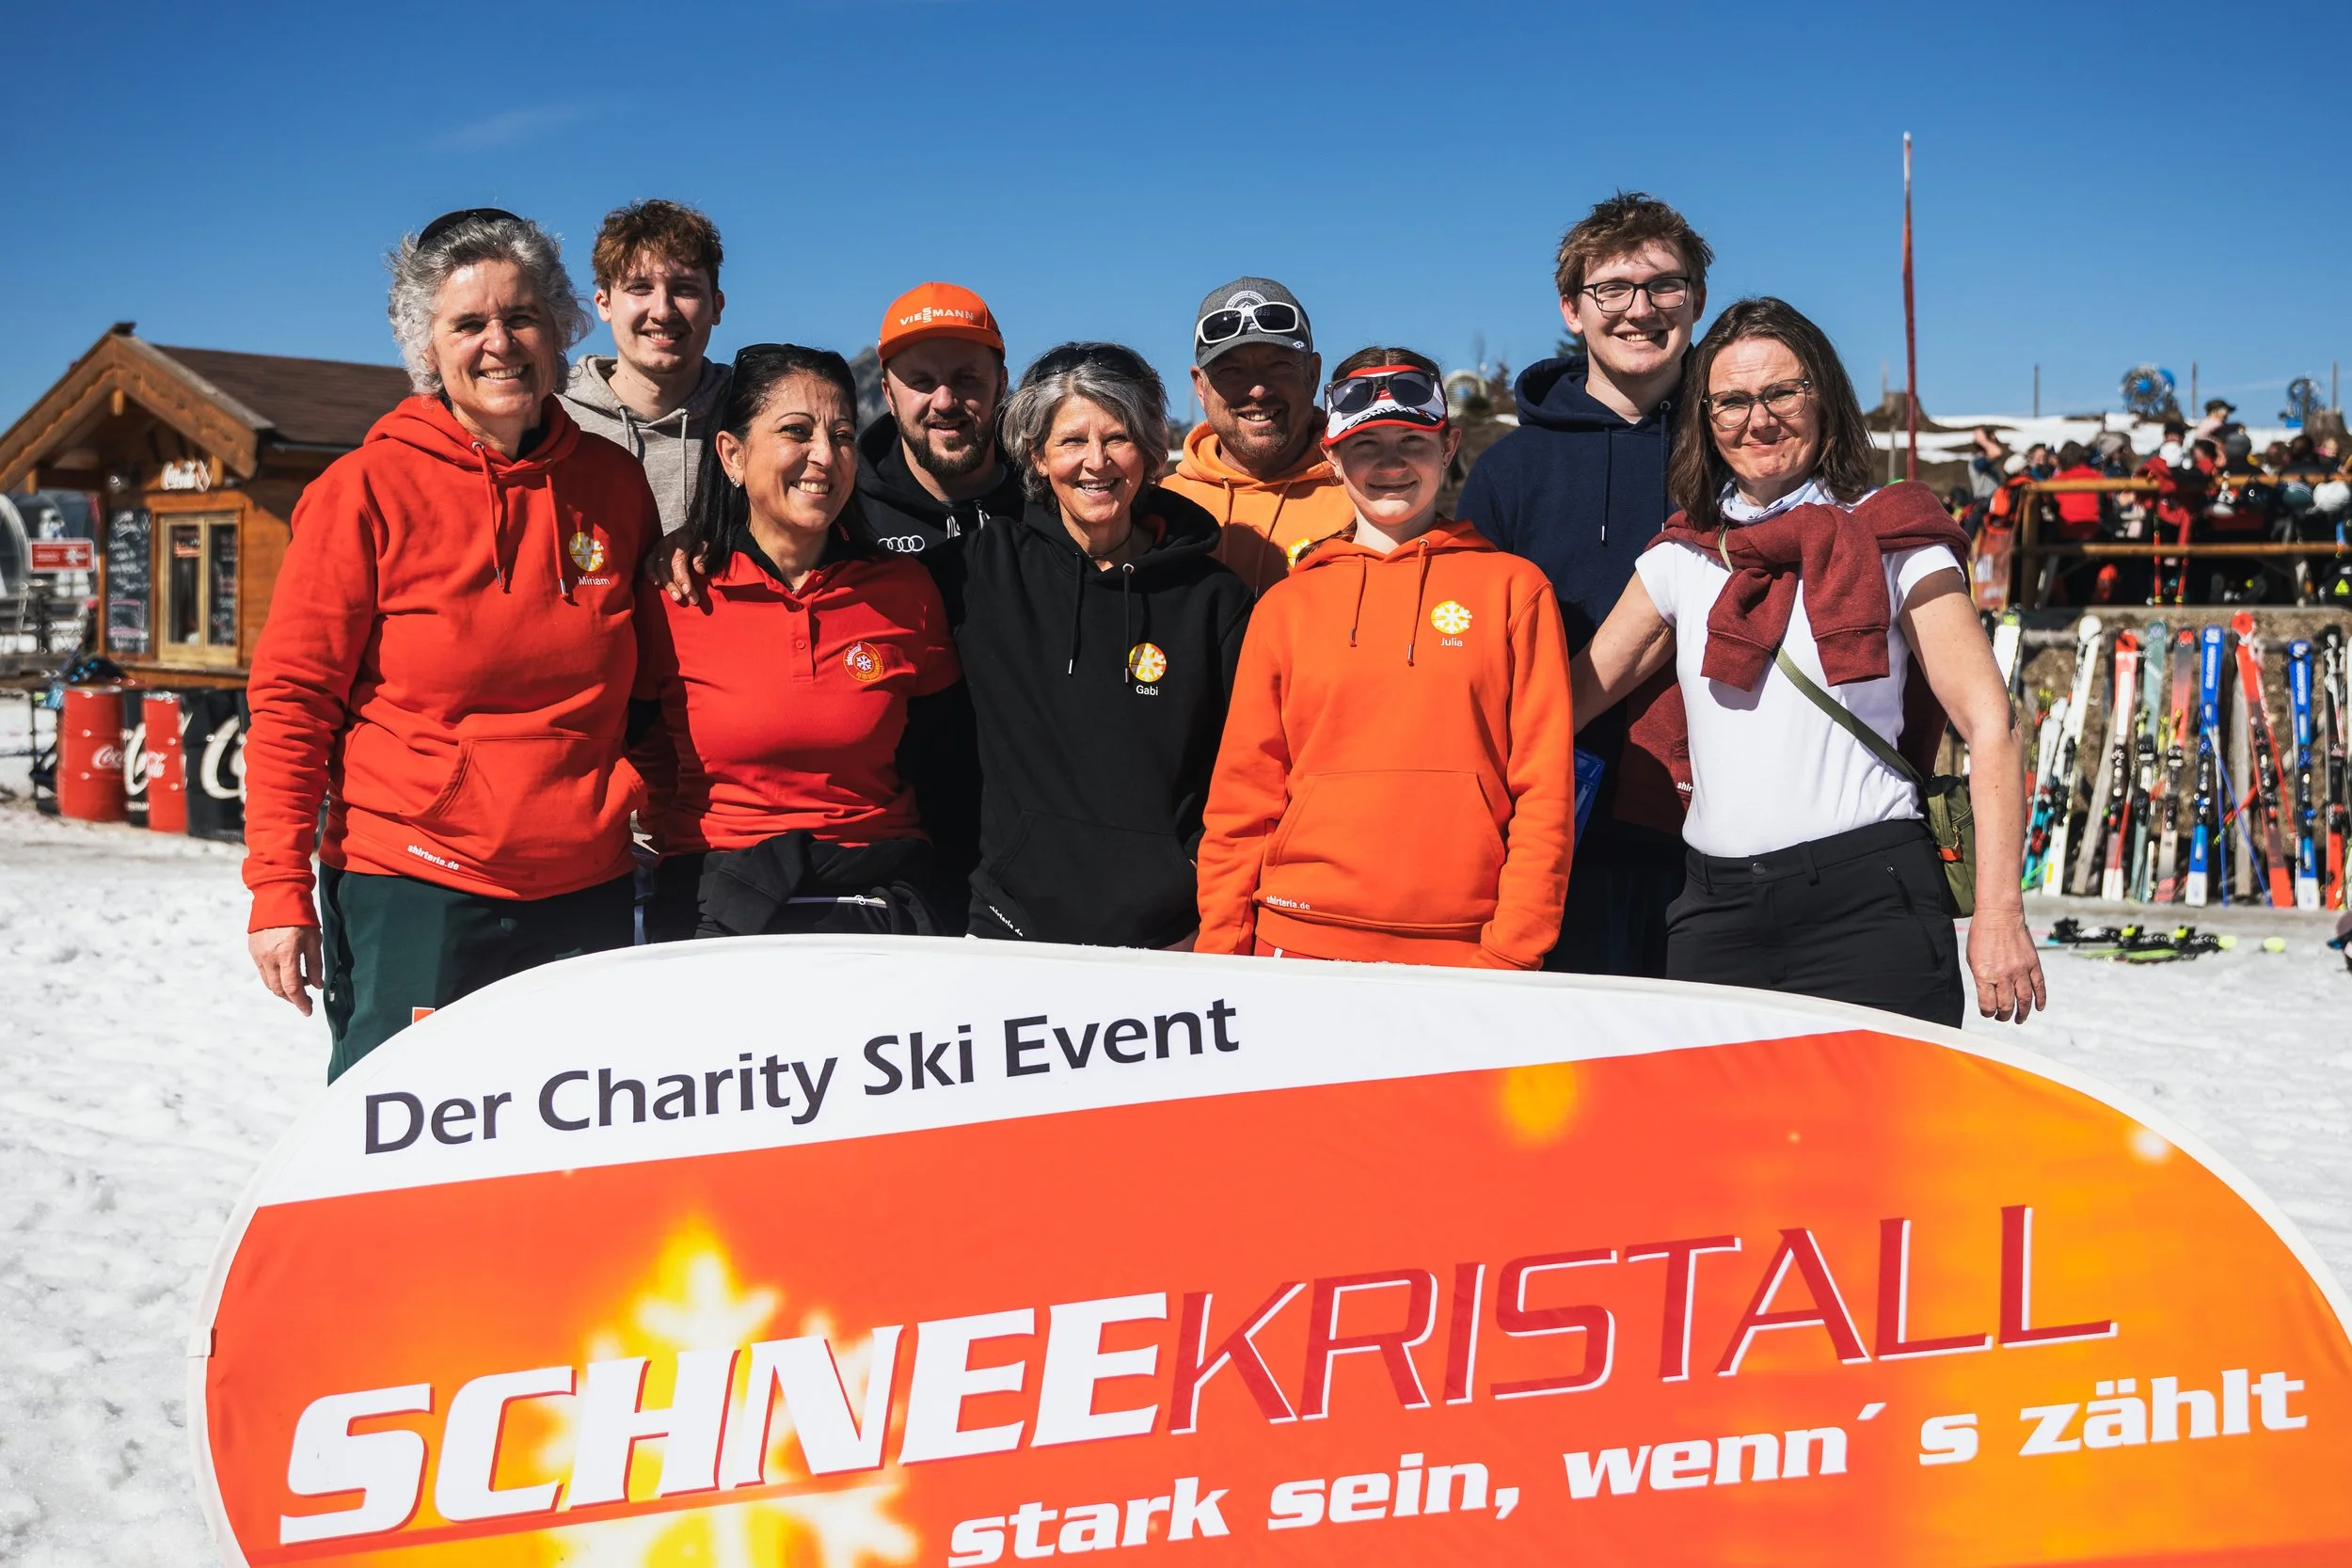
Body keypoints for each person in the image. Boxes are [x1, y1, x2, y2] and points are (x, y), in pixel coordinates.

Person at [243, 210, 659, 1077]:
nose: (499, 343)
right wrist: (277, 888)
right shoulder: (363, 491)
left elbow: (653, 681)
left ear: (559, 328)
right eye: (468, 323)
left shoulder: (613, 486)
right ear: (426, 348)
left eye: (521, 316)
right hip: (416, 885)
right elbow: (293, 700)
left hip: (587, 883)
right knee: (406, 1159)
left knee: (573, 1158)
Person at [1570, 297, 2044, 1028]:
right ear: (1705, 417)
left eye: (1781, 393)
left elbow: (1990, 723)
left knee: (1879, 1140)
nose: (1757, 420)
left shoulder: (1894, 531)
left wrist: (2000, 913)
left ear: (1823, 396)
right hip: (1713, 914)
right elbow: (1565, 702)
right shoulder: (1682, 555)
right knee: (1724, 1142)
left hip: (1869, 907)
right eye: (1730, 401)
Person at [1195, 349, 1574, 968]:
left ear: (1448, 448)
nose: (1391, 463)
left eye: (1412, 440)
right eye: (1367, 444)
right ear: (1332, 455)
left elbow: (1544, 790)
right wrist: (1224, 954)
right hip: (1298, 939)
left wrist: (1513, 952)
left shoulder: (1513, 589)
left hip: (1464, 947)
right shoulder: (1287, 605)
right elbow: (1244, 800)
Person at [1454, 191, 1712, 978]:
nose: (1640, 310)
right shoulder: (1509, 471)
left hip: (1711, 829)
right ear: (1572, 309)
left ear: (1695, 305)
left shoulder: (1733, 449)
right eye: (1612, 290)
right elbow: (1472, 651)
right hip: (1559, 826)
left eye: (1664, 286)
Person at [632, 344, 974, 940]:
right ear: (732, 455)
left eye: (843, 435)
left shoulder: (904, 591)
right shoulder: (675, 595)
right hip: (714, 900)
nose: (825, 455)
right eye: (796, 431)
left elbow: (945, 769)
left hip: (877, 900)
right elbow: (637, 753)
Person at [956, 342, 1252, 946]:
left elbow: (1241, 776)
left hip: (1169, 938)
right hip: (1013, 931)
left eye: (1117, 438)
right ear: (1036, 456)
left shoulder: (1214, 599)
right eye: (1071, 441)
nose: (1096, 462)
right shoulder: (981, 573)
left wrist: (1197, 890)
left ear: (1147, 451)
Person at [1161, 277, 1356, 594]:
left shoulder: (1366, 495)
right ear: (1201, 387)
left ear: (1312, 374)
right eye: (1231, 371)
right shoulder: (1159, 508)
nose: (1257, 390)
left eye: (1279, 365)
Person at [850, 282, 1028, 610]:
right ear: (888, 395)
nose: (945, 401)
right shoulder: (846, 517)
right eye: (921, 381)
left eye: (966, 378)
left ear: (1002, 385)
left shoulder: (1050, 504)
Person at [560, 199, 730, 537]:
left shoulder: (753, 416)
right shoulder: (552, 417)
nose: (663, 311)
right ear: (604, 304)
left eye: (685, 289)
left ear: (716, 306)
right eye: (640, 288)